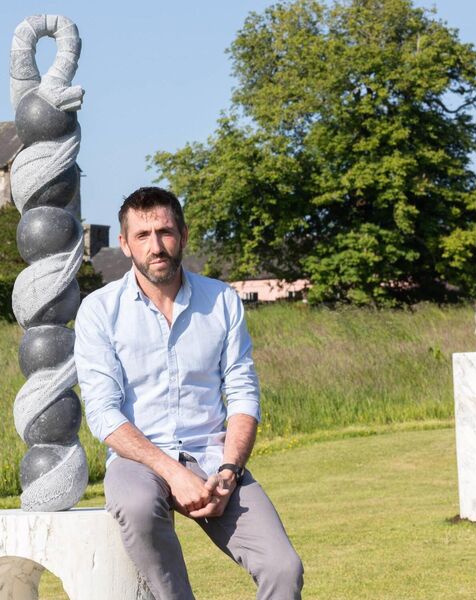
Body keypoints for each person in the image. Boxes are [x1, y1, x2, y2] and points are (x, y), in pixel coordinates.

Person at [74, 187, 304, 600]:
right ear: (124, 244)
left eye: (165, 232)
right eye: (142, 235)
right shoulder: (99, 310)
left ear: (182, 235)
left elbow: (242, 392)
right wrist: (174, 474)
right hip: (139, 460)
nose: (156, 246)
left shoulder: (222, 300)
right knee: (137, 505)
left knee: (283, 568)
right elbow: (104, 414)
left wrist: (230, 470)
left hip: (214, 458)